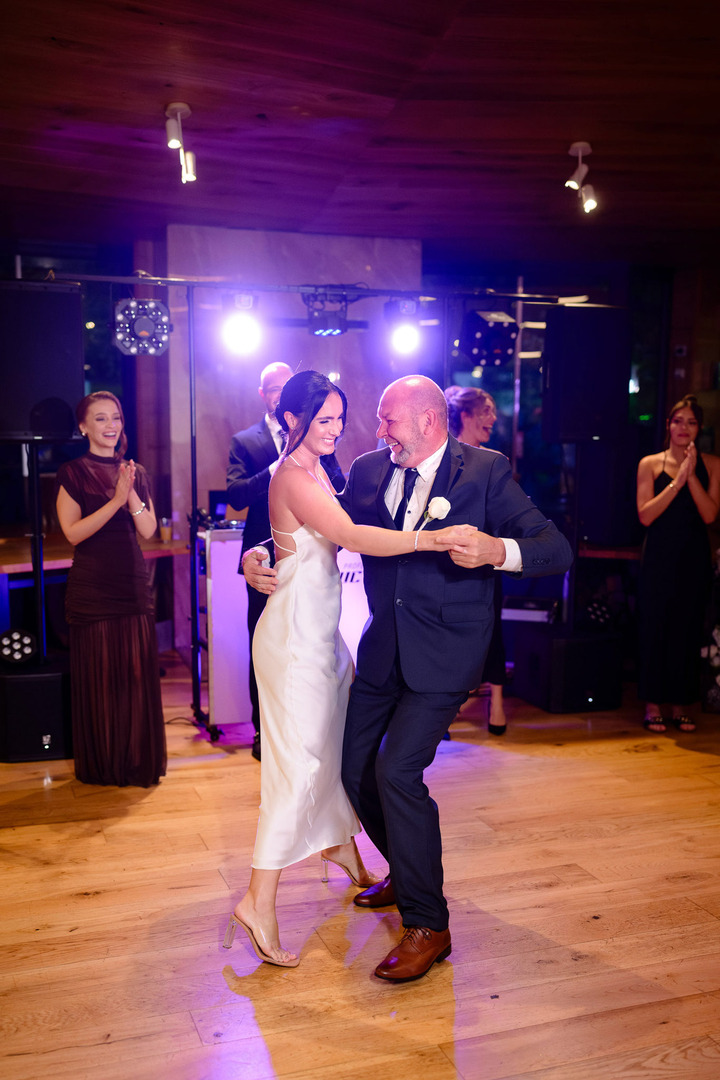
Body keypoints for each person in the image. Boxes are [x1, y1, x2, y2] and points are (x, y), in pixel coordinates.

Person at [245, 374, 573, 981]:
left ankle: (429, 925)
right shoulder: (370, 469)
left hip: (446, 653)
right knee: (351, 766)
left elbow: (556, 548)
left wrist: (497, 551)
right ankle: (407, 866)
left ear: (427, 420)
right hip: (382, 653)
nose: (378, 431)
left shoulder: (485, 471)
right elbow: (320, 522)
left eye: (388, 420)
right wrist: (262, 551)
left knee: (396, 770)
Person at [224, 371, 471, 968]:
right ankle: (258, 900)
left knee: (332, 751)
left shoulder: (317, 470)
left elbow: (288, 538)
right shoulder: (292, 474)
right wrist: (432, 540)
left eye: (340, 418)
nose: (337, 429)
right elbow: (350, 535)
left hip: (322, 639)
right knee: (297, 768)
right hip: (293, 644)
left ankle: (337, 844)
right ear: (292, 420)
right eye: (324, 420)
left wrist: (262, 551)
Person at [227, 362, 344, 760]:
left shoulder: (321, 438)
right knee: (264, 644)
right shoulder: (246, 441)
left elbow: (338, 496)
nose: (279, 393)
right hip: (265, 561)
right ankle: (264, 731)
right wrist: (278, 466)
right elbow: (236, 495)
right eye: (273, 388)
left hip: (309, 562)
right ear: (264, 395)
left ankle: (309, 737)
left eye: (285, 386)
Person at [55, 392, 166, 787]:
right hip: (93, 587)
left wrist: (129, 490)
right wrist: (116, 498)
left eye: (115, 417)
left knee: (134, 678)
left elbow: (148, 529)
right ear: (83, 426)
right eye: (100, 418)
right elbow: (73, 533)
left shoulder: (135, 472)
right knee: (100, 682)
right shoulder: (72, 472)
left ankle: (134, 763)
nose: (110, 425)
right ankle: (103, 765)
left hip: (131, 583)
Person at [636, 394, 720, 733]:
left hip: (693, 557)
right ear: (669, 425)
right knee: (655, 627)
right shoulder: (649, 463)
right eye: (678, 421)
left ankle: (681, 704)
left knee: (687, 629)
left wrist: (692, 475)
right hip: (659, 556)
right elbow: (645, 515)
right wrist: (677, 480)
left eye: (692, 422)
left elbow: (710, 515)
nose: (684, 427)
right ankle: (653, 704)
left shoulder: (712, 464)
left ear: (699, 428)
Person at [445, 385, 507, 734]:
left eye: (493, 411)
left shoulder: (494, 460)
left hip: (486, 559)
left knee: (492, 627)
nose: (493, 418)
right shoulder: (442, 456)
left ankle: (496, 702)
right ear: (465, 415)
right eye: (486, 411)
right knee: (449, 632)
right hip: (448, 557)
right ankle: (445, 703)